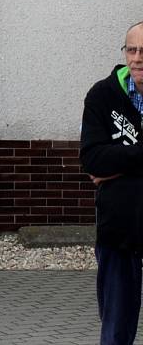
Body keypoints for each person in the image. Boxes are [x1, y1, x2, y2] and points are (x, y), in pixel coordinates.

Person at [80, 21, 143, 345]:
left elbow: (107, 161)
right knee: (116, 330)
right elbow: (92, 161)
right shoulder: (103, 95)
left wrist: (119, 160)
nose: (137, 58)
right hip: (118, 229)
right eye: (131, 49)